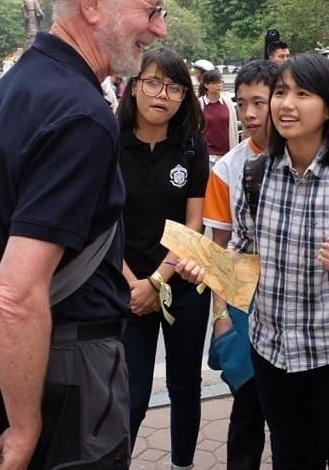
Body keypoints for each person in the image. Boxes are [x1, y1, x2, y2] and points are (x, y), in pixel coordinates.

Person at [0, 0, 168, 468]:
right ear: (92, 3)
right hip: (68, 371)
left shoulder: (17, 85)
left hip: (11, 362)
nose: (160, 28)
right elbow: (15, 296)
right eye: (151, 9)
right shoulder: (82, 114)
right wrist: (24, 429)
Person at [184, 52, 329, 468]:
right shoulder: (255, 176)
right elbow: (242, 254)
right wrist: (207, 268)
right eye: (281, 92)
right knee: (289, 453)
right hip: (270, 347)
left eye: (302, 93)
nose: (286, 104)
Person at [117, 46, 209, 470]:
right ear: (134, 87)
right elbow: (98, 224)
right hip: (126, 288)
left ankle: (182, 464)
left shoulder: (191, 146)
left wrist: (158, 280)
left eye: (174, 87)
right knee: (130, 395)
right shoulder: (108, 142)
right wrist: (137, 285)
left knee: (185, 388)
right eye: (152, 82)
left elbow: (194, 224)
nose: (162, 94)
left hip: (182, 282)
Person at [202, 59, 278, 469]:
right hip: (244, 304)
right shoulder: (227, 168)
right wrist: (221, 316)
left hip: (294, 306)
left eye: (259, 103)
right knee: (247, 411)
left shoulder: (307, 157)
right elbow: (218, 248)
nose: (248, 114)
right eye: (241, 103)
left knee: (295, 420)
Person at [199, 68, 238, 167]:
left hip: (227, 156)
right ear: (206, 85)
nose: (219, 85)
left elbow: (234, 129)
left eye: (220, 82)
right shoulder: (199, 104)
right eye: (215, 83)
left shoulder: (228, 103)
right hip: (207, 155)